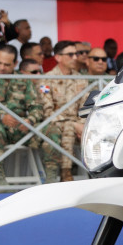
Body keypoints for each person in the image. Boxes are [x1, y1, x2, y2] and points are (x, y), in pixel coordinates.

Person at [38, 41, 92, 182]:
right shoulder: (46, 79)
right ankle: (66, 172)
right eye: (70, 54)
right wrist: (74, 125)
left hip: (78, 127)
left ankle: (96, 175)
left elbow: (85, 108)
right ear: (58, 57)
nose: (75, 57)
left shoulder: (81, 79)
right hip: (54, 124)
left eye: (76, 54)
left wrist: (81, 124)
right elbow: (47, 112)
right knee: (68, 127)